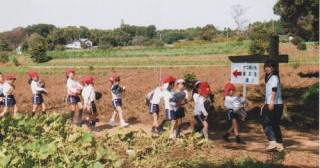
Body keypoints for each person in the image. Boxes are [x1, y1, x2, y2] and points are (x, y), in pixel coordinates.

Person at [261, 59, 284, 152]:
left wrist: (271, 102)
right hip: (275, 103)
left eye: (269, 66)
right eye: (266, 66)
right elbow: (269, 92)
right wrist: (264, 103)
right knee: (275, 125)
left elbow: (274, 90)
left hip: (274, 104)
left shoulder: (274, 77)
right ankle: (279, 145)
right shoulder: (270, 77)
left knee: (265, 122)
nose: (267, 68)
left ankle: (272, 141)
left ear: (273, 68)